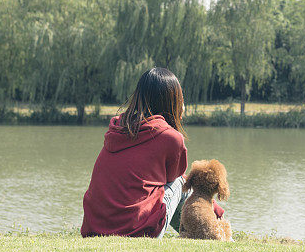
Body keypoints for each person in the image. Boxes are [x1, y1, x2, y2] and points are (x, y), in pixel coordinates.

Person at [80, 67, 223, 238]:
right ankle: (209, 232)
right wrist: (214, 209)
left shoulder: (118, 128)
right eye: (180, 98)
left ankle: (204, 230)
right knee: (179, 181)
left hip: (94, 230)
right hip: (139, 232)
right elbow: (176, 180)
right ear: (173, 102)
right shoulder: (170, 137)